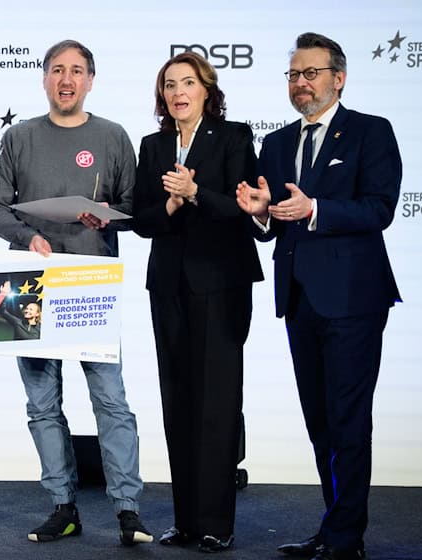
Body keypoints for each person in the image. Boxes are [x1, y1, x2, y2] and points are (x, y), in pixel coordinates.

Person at [235, 32, 401, 560]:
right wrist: (261, 211)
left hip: (354, 299)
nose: (300, 84)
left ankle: (347, 537)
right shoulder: (277, 143)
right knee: (320, 422)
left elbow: (379, 209)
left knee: (349, 419)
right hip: (300, 299)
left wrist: (314, 209)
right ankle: (332, 528)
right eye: (293, 75)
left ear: (338, 78)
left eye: (310, 74)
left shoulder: (371, 132)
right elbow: (272, 225)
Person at [0, 39, 152, 546]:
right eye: (57, 70)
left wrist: (105, 215)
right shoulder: (18, 137)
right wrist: (25, 236)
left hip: (91, 285)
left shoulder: (114, 136)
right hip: (31, 284)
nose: (66, 79)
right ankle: (63, 506)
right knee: (41, 404)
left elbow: (135, 209)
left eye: (77, 71)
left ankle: (127, 509)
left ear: (90, 80)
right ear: (44, 78)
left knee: (112, 402)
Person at [130, 52, 263, 553]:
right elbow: (142, 219)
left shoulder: (233, 138)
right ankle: (186, 521)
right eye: (169, 84)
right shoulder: (154, 145)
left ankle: (216, 524)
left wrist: (195, 191)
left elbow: (245, 208)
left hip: (221, 283)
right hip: (168, 287)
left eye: (188, 82)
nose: (178, 92)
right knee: (178, 402)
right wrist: (167, 202)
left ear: (208, 90)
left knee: (217, 404)